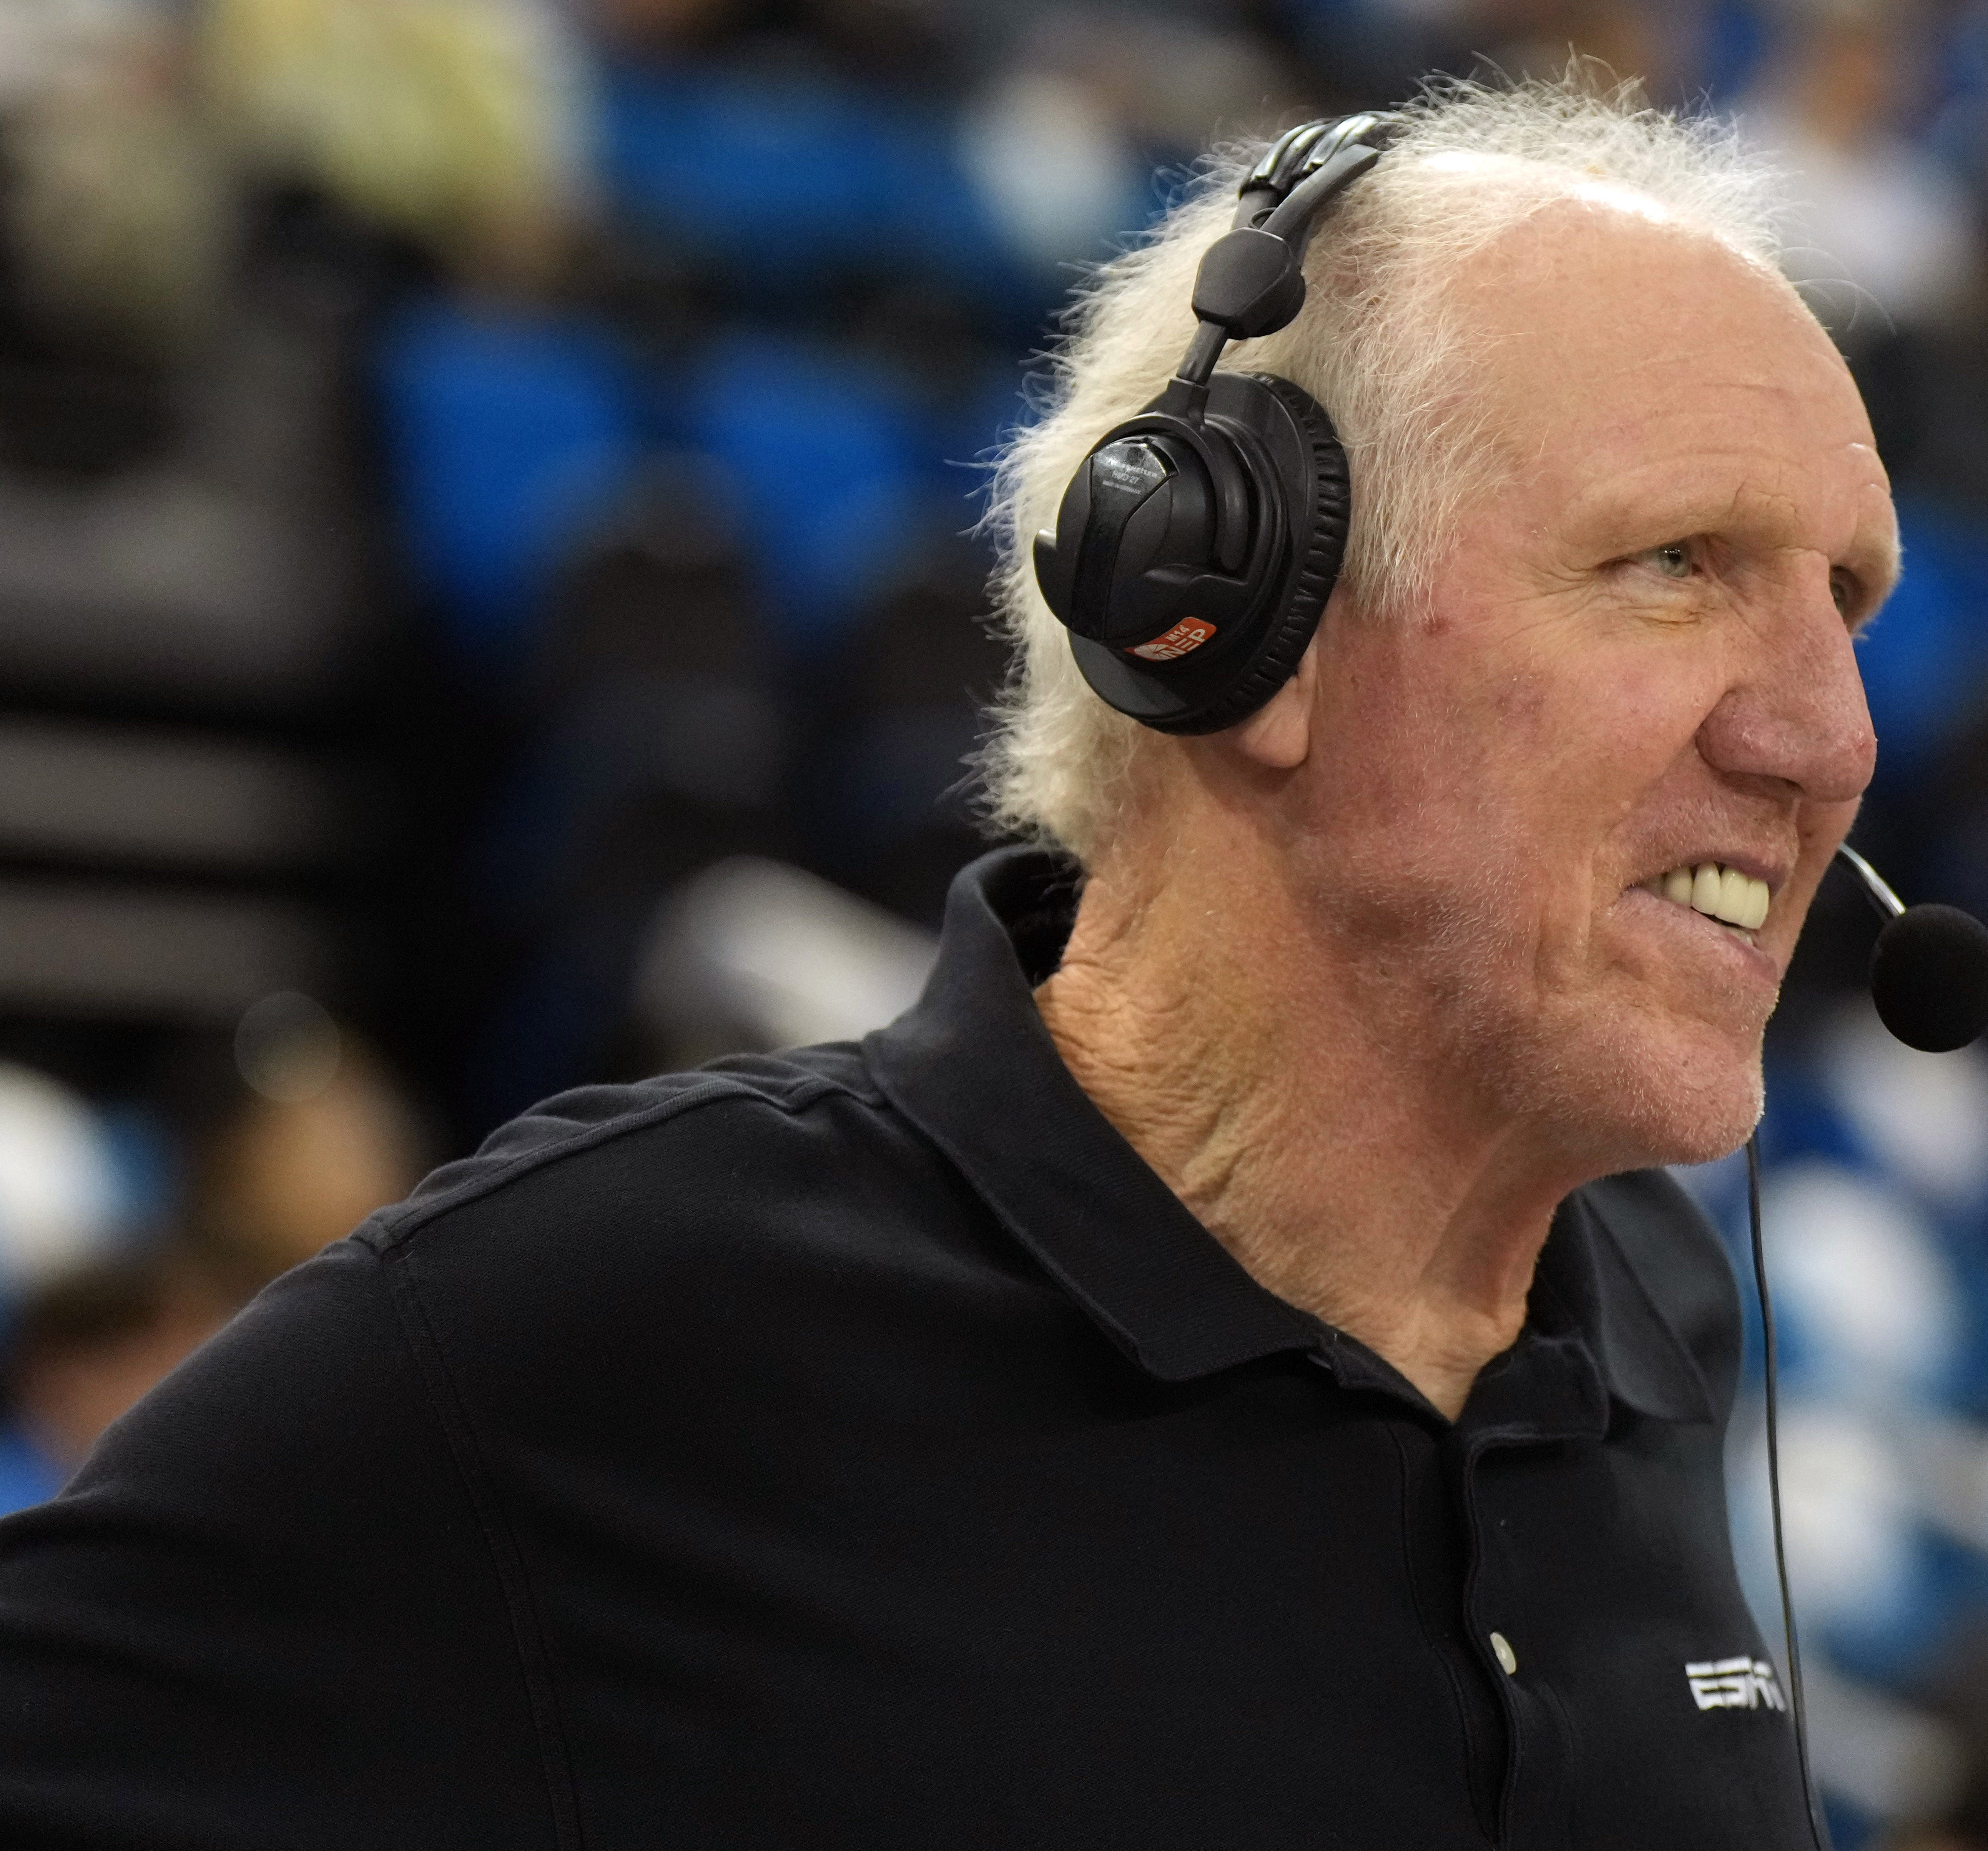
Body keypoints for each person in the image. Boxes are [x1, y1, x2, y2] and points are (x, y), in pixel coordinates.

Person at [0, 80, 1888, 1848]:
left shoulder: (1650, 1303)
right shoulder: (599, 1325)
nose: (1827, 741)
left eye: (1847, 603)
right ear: (1231, 615)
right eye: (1675, 563)